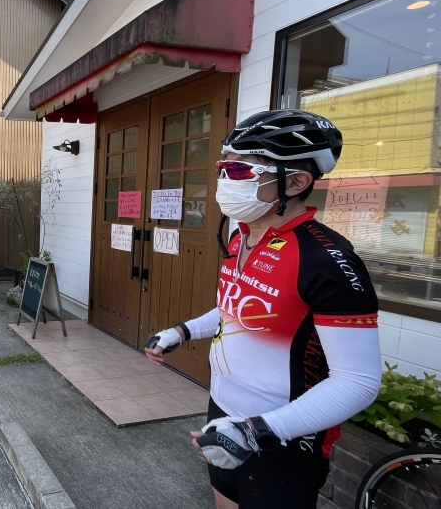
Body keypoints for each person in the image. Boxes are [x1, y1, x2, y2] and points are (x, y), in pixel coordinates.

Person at [143, 110, 382, 509]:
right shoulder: (241, 237)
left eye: (240, 170)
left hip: (284, 433)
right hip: (224, 411)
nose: (225, 180)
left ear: (297, 181)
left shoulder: (326, 260)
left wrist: (258, 430)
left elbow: (358, 381)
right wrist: (181, 332)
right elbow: (234, 311)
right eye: (223, 168)